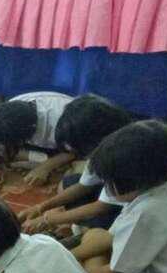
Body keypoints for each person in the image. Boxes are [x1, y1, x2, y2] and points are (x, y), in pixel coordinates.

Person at [70, 120, 167, 273]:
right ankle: (72, 261)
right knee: (95, 234)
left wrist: (71, 271)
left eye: (110, 181)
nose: (105, 188)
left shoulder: (149, 211)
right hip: (142, 268)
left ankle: (73, 268)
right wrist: (70, 256)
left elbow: (117, 271)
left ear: (134, 179)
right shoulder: (162, 190)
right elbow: (110, 238)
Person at [17, 96, 133, 236]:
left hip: (127, 204)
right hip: (109, 193)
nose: (82, 157)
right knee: (68, 184)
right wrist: (40, 207)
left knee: (95, 232)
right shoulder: (104, 146)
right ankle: (72, 222)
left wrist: (48, 220)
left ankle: (75, 226)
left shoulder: (124, 159)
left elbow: (102, 206)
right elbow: (84, 186)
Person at [0, 91, 75, 186]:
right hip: (39, 143)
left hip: (67, 146)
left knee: (69, 176)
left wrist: (45, 167)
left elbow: (74, 151)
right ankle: (44, 161)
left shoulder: (62, 121)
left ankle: (50, 163)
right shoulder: (8, 109)